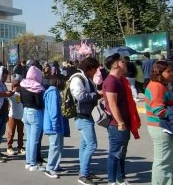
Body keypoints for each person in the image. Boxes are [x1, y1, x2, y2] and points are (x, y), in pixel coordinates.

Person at [145, 61, 173, 185]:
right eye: (168, 71)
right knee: (163, 163)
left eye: (172, 71)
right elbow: (158, 110)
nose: (172, 74)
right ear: (159, 72)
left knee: (168, 162)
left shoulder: (161, 85)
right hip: (161, 128)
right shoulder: (157, 86)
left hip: (165, 128)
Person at [103, 53, 133, 185]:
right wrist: (120, 122)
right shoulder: (111, 81)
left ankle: (120, 179)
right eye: (123, 61)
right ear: (116, 64)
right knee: (115, 153)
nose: (125, 63)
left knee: (121, 153)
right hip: (117, 124)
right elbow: (112, 104)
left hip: (123, 123)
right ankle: (111, 181)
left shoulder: (119, 80)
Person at [70, 57, 100, 185]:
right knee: (92, 145)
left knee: (84, 145)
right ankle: (83, 175)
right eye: (95, 69)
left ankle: (84, 171)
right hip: (82, 116)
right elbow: (80, 96)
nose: (96, 71)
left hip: (86, 115)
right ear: (90, 68)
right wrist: (96, 95)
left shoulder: (86, 79)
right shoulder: (78, 79)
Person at [20, 65, 46, 171]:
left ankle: (28, 162)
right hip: (35, 113)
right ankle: (33, 164)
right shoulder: (37, 87)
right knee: (34, 140)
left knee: (29, 139)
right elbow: (39, 103)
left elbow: (21, 100)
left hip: (25, 112)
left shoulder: (22, 84)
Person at [43, 74, 66, 179]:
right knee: (55, 147)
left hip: (55, 124)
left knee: (59, 146)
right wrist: (55, 124)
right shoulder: (53, 92)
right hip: (53, 125)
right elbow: (54, 111)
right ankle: (50, 168)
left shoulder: (54, 91)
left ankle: (56, 165)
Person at [6, 80, 25, 156]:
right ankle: (9, 147)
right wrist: (10, 93)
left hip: (21, 116)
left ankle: (20, 147)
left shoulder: (22, 94)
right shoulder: (11, 94)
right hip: (12, 116)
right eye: (15, 86)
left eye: (18, 85)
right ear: (12, 86)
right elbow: (6, 97)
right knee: (11, 132)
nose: (17, 87)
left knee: (21, 133)